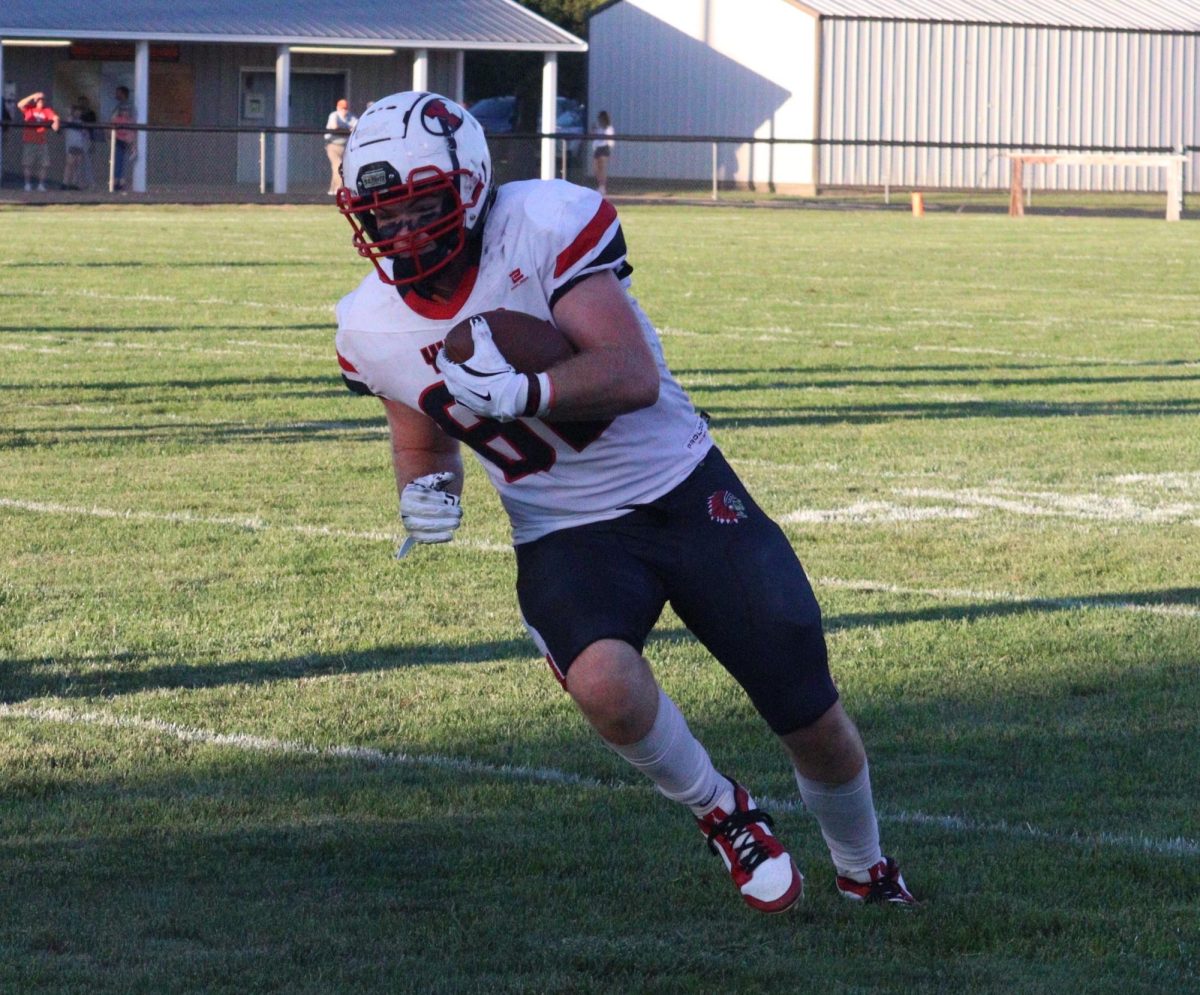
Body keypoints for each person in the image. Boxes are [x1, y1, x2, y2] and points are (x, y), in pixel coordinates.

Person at [331, 91, 917, 913]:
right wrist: (421, 489)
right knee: (604, 683)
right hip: (565, 530)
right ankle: (723, 811)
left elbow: (630, 373)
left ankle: (864, 865)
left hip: (679, 485)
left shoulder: (538, 226)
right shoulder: (367, 325)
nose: (402, 234)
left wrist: (529, 388)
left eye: (421, 206)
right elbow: (419, 432)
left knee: (805, 703)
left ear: (467, 185)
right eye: (381, 215)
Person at [16, 91, 60, 191]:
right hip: (29, 141)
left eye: (43, 99)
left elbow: (54, 117)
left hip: (41, 141)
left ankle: (41, 185)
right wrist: (33, 96)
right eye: (39, 100)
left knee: (43, 164)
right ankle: (27, 184)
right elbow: (19, 104)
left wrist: (56, 120)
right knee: (27, 163)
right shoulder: (29, 109)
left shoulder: (47, 110)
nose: (41, 101)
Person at [323, 98, 357, 195]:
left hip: (344, 147)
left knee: (342, 168)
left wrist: (349, 128)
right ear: (338, 108)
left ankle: (333, 190)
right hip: (333, 145)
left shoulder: (351, 117)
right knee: (337, 166)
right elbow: (334, 126)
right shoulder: (334, 115)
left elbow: (356, 125)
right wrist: (347, 128)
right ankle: (338, 190)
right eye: (342, 108)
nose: (344, 110)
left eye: (345, 108)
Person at [110, 86, 135, 191]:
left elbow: (129, 119)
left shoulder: (127, 106)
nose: (116, 95)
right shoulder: (119, 106)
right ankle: (116, 181)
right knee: (118, 159)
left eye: (118, 92)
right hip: (119, 136)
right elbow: (113, 119)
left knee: (124, 160)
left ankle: (121, 181)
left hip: (126, 137)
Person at [62, 103, 89, 190]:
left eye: (79, 112)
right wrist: (69, 112)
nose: (78, 113)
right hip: (71, 145)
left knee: (77, 165)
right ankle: (65, 183)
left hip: (79, 145)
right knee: (69, 164)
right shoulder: (70, 120)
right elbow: (68, 121)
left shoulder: (81, 122)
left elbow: (85, 133)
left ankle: (74, 183)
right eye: (76, 112)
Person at [592, 110, 614, 195]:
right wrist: (594, 130)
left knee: (602, 168)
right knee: (596, 168)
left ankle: (602, 187)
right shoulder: (599, 128)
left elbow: (609, 139)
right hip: (597, 148)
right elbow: (595, 137)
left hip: (604, 148)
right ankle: (600, 185)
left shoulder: (609, 128)